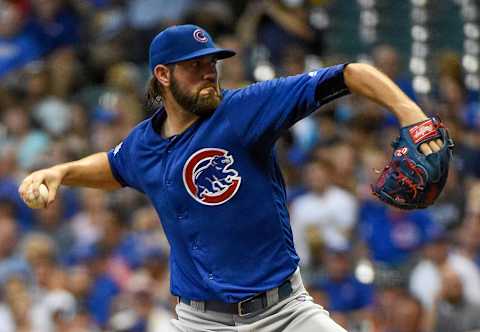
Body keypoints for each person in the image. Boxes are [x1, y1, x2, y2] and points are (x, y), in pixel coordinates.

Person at [19, 24, 443, 331]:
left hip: (285, 314)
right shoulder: (142, 144)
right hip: (199, 321)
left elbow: (350, 73)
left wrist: (415, 118)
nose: (209, 72)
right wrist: (61, 171)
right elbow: (113, 167)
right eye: (195, 65)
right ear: (162, 76)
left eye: (213, 63)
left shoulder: (243, 110)